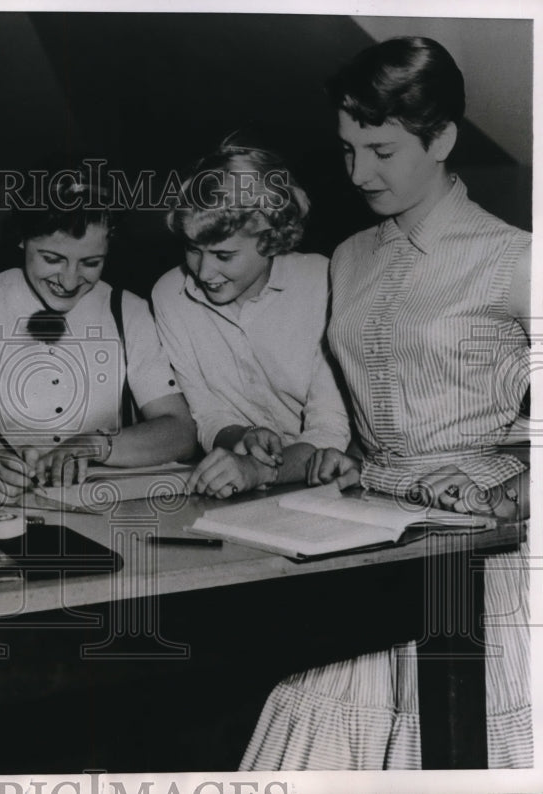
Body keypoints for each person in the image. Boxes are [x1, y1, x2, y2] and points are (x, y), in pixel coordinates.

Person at [241, 37, 531, 770]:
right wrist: (311, 454)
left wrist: (511, 493)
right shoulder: (349, 255)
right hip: (371, 541)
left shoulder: (516, 260)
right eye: (346, 149)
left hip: (482, 553)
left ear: (442, 139)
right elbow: (339, 402)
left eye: (381, 149)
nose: (358, 172)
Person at [0, 162, 197, 502]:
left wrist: (96, 445)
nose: (70, 281)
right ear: (23, 239)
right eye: (52, 258)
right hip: (4, 505)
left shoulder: (127, 311)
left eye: (91, 263)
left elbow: (180, 429)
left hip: (100, 506)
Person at [153, 143, 350, 498]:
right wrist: (240, 436)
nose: (203, 271)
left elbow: (329, 432)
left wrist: (257, 470)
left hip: (334, 486)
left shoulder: (327, 283)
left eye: (223, 255)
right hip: (240, 484)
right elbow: (208, 414)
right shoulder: (169, 294)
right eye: (192, 250)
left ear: (271, 237)